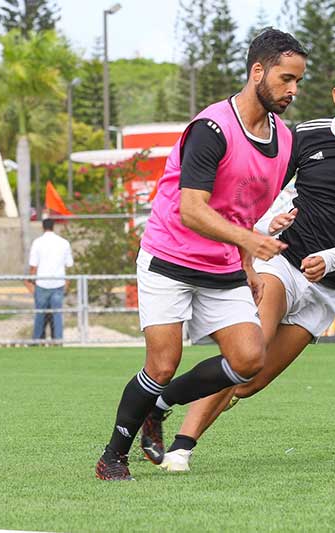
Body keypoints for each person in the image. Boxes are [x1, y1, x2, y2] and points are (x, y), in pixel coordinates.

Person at [141, 56, 335, 473]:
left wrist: (330, 259)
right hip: (284, 262)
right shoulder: (303, 136)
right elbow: (259, 192)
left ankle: (162, 402)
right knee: (250, 350)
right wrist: (264, 230)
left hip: (330, 285)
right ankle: (180, 445)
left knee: (251, 382)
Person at [95, 28, 308, 481]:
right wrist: (251, 243)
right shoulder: (212, 128)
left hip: (224, 265)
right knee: (163, 364)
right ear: (258, 72)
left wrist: (247, 264)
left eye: (298, 82)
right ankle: (113, 455)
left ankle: (160, 406)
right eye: (286, 79)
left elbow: (245, 208)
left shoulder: (284, 140)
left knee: (249, 361)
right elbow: (192, 210)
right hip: (169, 258)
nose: (292, 90)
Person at [24, 218, 73, 342]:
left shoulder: (37, 242)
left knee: (40, 314)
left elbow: (33, 265)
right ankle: (58, 340)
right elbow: (69, 265)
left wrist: (31, 281)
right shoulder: (64, 243)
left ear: (43, 227)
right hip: (58, 283)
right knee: (57, 314)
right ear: (54, 227)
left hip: (42, 283)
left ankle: (36, 340)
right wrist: (67, 283)